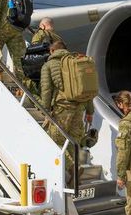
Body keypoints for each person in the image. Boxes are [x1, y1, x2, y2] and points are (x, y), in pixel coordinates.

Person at [39, 40, 93, 179]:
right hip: (79, 107)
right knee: (72, 141)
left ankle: (72, 168)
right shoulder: (76, 62)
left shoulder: (49, 65)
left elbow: (46, 90)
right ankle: (74, 171)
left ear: (52, 51)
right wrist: (90, 111)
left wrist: (46, 111)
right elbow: (86, 87)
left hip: (63, 108)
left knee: (54, 140)